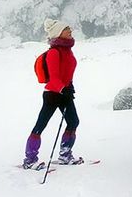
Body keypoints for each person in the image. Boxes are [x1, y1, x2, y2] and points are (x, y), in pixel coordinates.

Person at [21, 19, 82, 168]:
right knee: (41, 125)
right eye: (66, 28)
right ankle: (30, 160)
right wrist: (63, 88)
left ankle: (65, 155)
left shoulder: (68, 51)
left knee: (73, 122)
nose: (70, 30)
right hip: (53, 95)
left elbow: (66, 73)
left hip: (64, 93)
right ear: (58, 33)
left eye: (69, 27)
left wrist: (69, 86)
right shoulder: (54, 53)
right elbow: (53, 79)